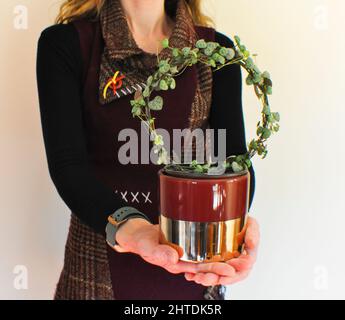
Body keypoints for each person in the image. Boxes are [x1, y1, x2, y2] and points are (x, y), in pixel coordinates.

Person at [36, 0, 260, 300]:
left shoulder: (217, 52)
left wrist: (235, 227)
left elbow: (233, 163)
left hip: (194, 273)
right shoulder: (66, 44)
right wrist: (133, 228)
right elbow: (68, 166)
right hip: (95, 272)